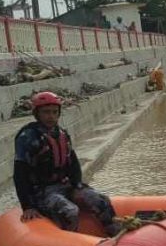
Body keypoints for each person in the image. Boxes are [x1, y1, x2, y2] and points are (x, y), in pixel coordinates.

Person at [13, 91, 121, 236]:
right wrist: (27, 206)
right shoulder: (27, 137)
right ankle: (73, 245)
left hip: (65, 185)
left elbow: (73, 164)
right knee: (70, 211)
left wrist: (77, 186)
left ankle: (115, 234)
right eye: (46, 112)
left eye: (54, 112)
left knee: (100, 200)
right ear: (37, 114)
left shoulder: (61, 133)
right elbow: (20, 174)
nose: (51, 116)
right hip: (42, 192)